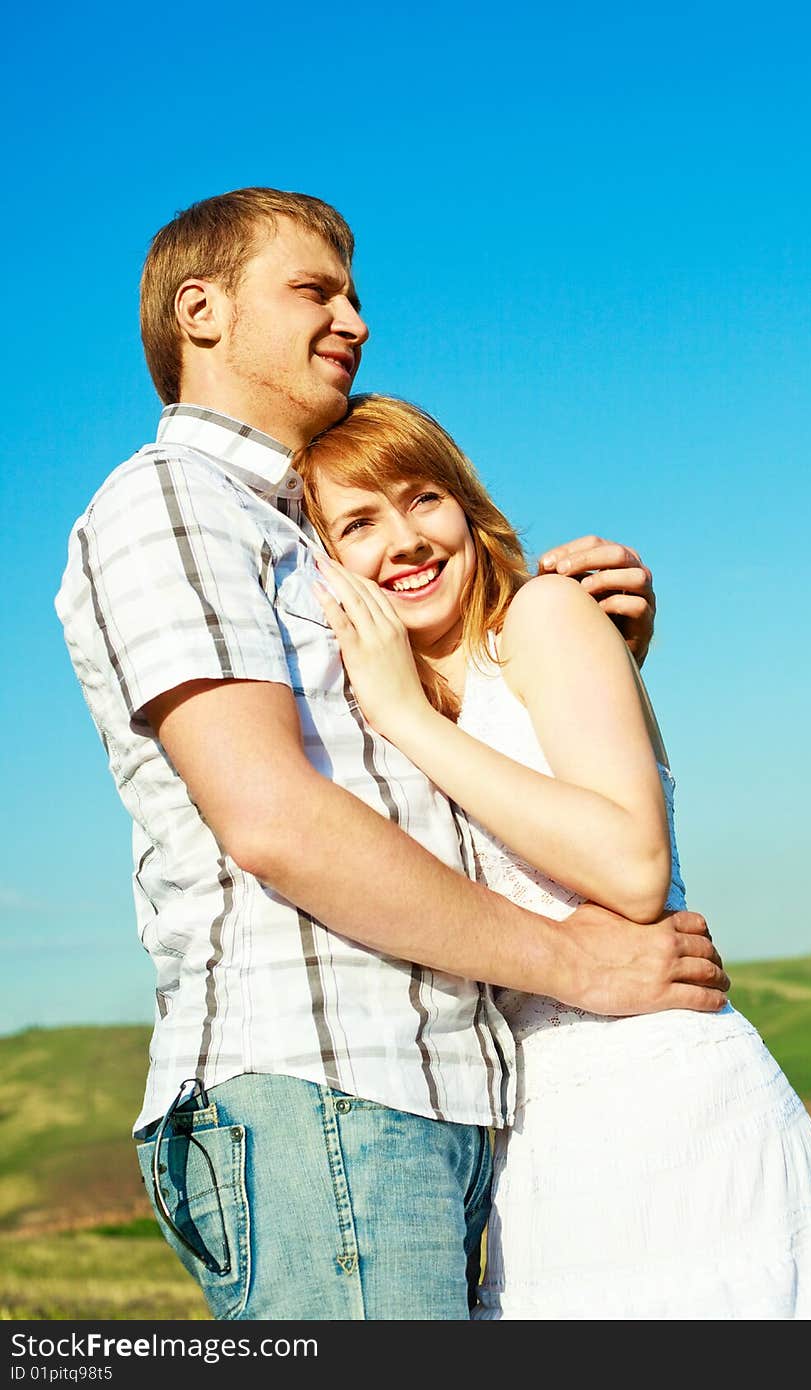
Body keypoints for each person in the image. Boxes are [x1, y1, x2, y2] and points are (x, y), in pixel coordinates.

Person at [53, 188, 729, 1322]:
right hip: (328, 1086)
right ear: (201, 310)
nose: (355, 320)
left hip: (445, 1096)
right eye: (315, 290)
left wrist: (572, 651)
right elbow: (273, 816)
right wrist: (578, 965)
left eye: (356, 295)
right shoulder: (171, 500)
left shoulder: (301, 527)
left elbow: (442, 767)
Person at [297, 391, 811, 1321]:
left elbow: (632, 866)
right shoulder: (384, 708)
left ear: (468, 508)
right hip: (532, 1143)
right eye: (358, 523)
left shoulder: (543, 617)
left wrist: (404, 714)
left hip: (669, 1102)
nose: (402, 541)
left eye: (422, 499)